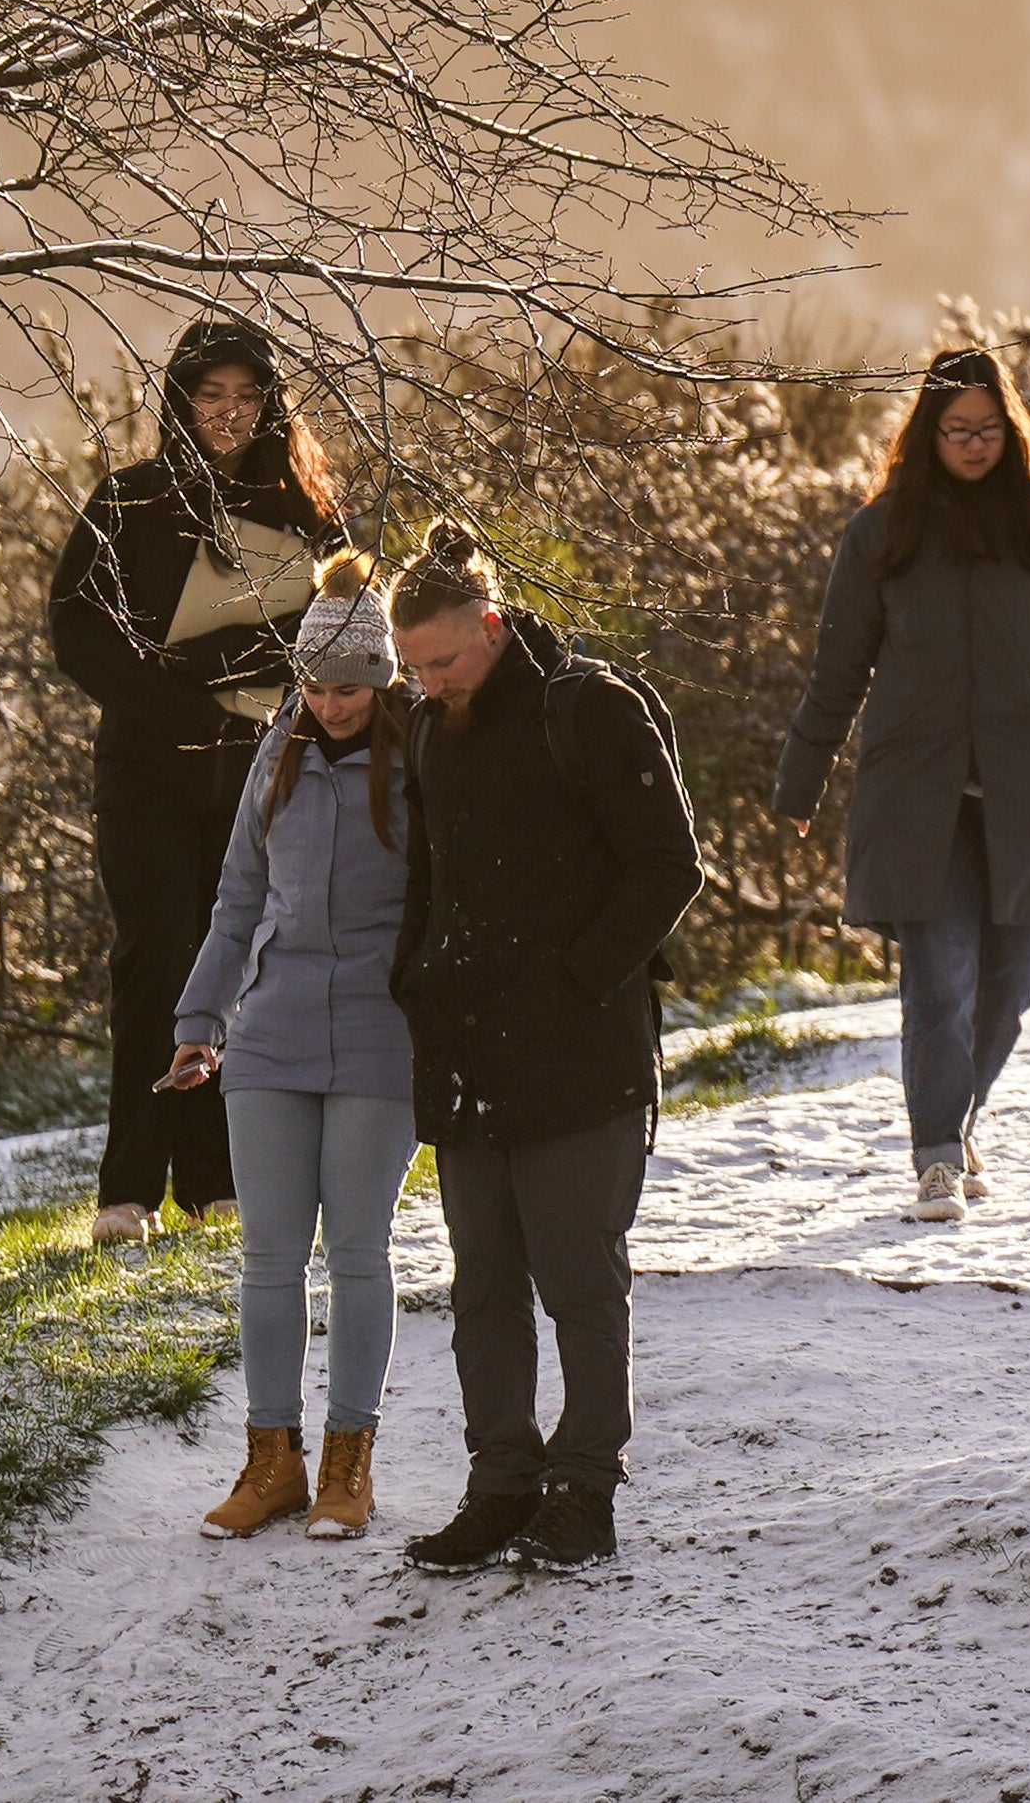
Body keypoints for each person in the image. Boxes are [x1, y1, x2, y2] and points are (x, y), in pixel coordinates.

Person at [386, 522, 701, 1577]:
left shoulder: (591, 710)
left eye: (442, 661)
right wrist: (417, 987)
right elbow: (428, 883)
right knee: (482, 1285)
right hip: (469, 1051)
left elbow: (668, 865)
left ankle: (585, 1489)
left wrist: (576, 981)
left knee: (577, 1278)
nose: (427, 684)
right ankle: (500, 1483)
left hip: (582, 1052)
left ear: (488, 623)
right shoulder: (429, 731)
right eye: (411, 668)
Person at [775, 342, 1030, 1224]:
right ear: (927, 434)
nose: (973, 445)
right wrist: (801, 779)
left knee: (1015, 982)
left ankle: (963, 1117)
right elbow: (838, 665)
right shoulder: (881, 533)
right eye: (956, 429)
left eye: (989, 429)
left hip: (1023, 790)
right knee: (941, 979)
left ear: (1012, 430)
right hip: (915, 797)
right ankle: (935, 1154)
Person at [46, 317, 348, 1241]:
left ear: (270, 403)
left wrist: (223, 666)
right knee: (155, 964)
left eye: (245, 396)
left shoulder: (308, 508)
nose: (227, 413)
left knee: (243, 970)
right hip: (146, 772)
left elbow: (335, 628)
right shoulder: (129, 500)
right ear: (181, 401)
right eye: (210, 395)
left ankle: (218, 1179)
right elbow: (78, 632)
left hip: (261, 772)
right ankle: (127, 1188)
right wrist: (188, 703)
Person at [160, 550, 416, 1543]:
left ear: (383, 677)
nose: (331, 700)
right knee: (267, 1258)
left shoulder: (419, 754)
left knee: (356, 1252)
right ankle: (272, 1461)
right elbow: (236, 899)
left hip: (377, 1037)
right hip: (268, 1033)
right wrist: (198, 1024)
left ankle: (349, 1464)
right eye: (314, 682)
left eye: (349, 684)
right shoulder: (279, 754)